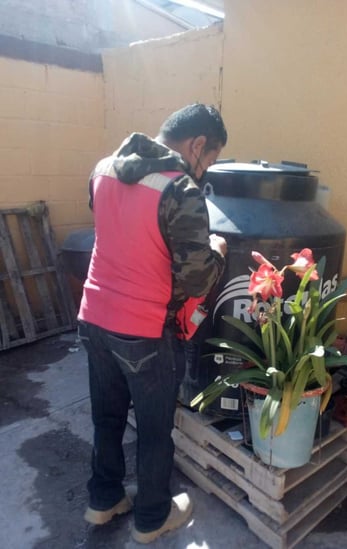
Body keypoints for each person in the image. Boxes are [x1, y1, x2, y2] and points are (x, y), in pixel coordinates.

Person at [77, 103, 228, 544]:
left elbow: (119, 232)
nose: (205, 169)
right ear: (197, 144)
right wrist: (216, 249)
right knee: (155, 429)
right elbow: (197, 275)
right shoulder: (180, 187)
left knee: (107, 418)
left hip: (94, 318)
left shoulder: (102, 169)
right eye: (211, 159)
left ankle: (103, 501)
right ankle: (151, 518)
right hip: (145, 330)